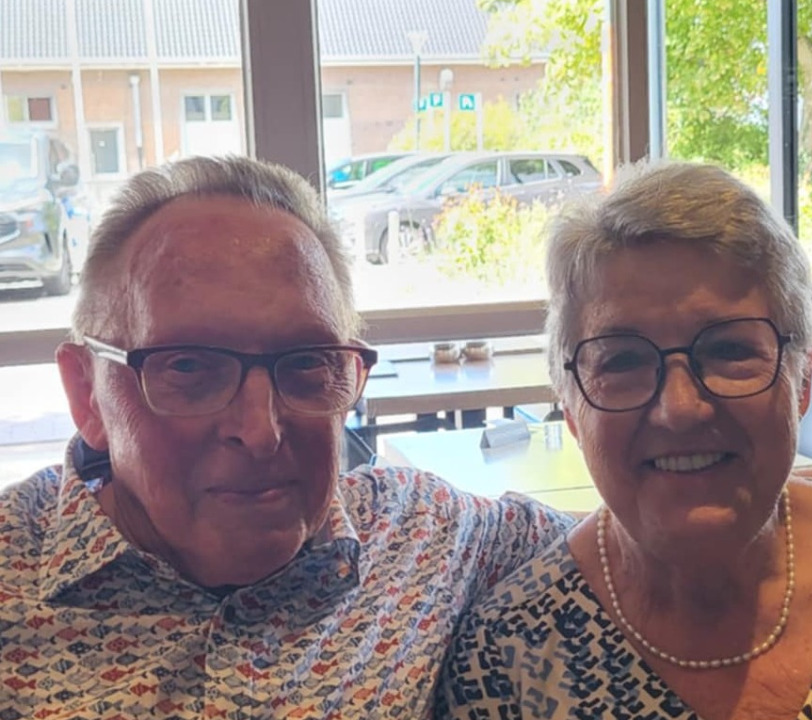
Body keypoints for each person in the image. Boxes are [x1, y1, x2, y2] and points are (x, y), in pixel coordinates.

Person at [0, 155, 573, 718]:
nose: (260, 431)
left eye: (308, 362)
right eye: (189, 367)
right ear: (87, 393)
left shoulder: (424, 538)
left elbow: (613, 547)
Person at [437, 161, 812, 720]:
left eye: (728, 350)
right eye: (622, 360)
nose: (680, 409)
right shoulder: (507, 659)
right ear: (570, 407)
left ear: (802, 378)